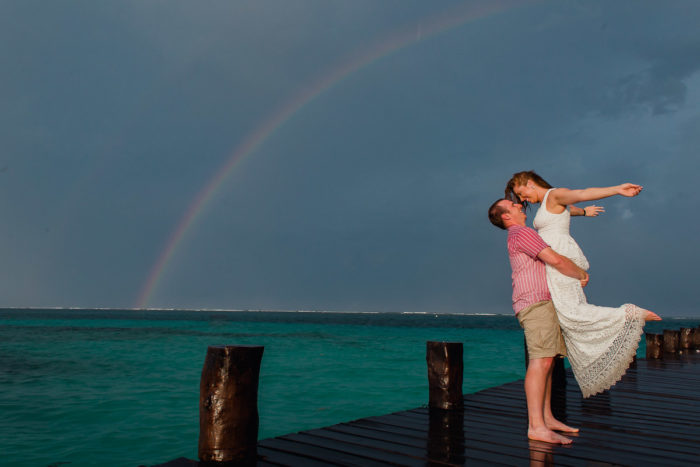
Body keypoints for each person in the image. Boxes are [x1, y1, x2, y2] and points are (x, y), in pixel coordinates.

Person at [504, 171, 661, 398]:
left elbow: (581, 194)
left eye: (522, 194)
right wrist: (584, 213)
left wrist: (616, 189)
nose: (524, 200)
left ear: (529, 184)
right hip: (554, 260)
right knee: (566, 315)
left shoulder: (555, 194)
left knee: (571, 312)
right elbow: (567, 211)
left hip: (561, 259)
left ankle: (629, 315)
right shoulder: (549, 203)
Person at [488, 198, 588, 444]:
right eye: (512, 206)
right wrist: (581, 274)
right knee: (540, 362)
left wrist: (581, 211)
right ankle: (536, 426)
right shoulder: (522, 233)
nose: (519, 206)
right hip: (535, 303)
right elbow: (554, 259)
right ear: (505, 217)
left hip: (541, 302)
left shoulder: (520, 233)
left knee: (548, 362)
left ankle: (547, 418)